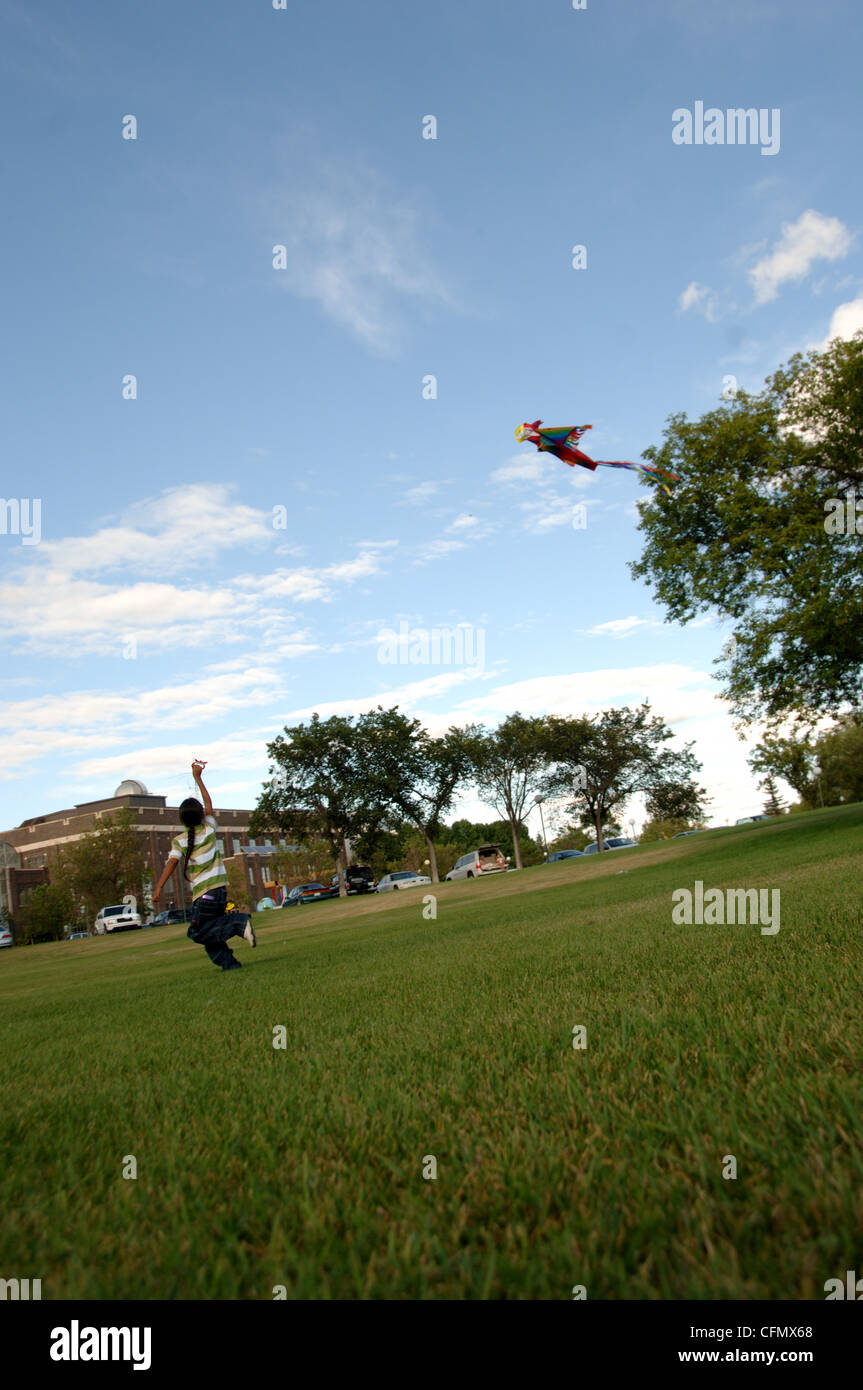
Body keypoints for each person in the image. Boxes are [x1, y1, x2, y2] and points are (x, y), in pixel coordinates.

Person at [152, 760, 256, 971]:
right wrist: (198, 778)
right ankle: (230, 965)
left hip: (205, 896)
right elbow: (209, 804)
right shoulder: (209, 828)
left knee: (197, 932)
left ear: (182, 820)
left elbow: (171, 863)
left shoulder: (180, 841)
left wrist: (159, 887)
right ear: (201, 815)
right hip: (220, 892)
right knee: (209, 933)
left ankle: (238, 923)